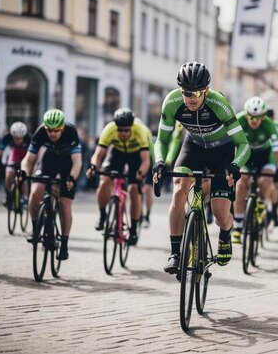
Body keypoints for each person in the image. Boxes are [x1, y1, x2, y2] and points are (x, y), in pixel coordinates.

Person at [152, 62, 250, 274]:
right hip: (193, 146)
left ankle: (225, 233)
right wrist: (159, 161)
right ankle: (175, 253)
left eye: (197, 92)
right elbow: (161, 140)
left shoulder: (219, 104)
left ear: (206, 90)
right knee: (179, 189)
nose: (192, 97)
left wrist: (235, 166)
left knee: (219, 213)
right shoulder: (172, 102)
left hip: (221, 151)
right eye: (187, 92)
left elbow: (243, 144)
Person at [19, 109, 82, 261]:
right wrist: (23, 172)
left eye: (56, 130)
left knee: (65, 204)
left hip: (67, 164)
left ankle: (64, 243)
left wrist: (72, 178)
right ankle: (35, 230)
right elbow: (28, 160)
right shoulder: (40, 132)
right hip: (49, 161)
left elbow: (77, 162)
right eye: (49, 130)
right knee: (35, 192)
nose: (52, 133)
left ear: (62, 128)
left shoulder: (71, 132)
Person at [86, 108, 151, 245]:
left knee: (134, 189)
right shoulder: (109, 129)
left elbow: (145, 160)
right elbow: (98, 154)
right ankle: (103, 215)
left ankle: (133, 229)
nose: (122, 133)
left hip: (135, 156)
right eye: (120, 130)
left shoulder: (140, 131)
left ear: (131, 127)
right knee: (104, 182)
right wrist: (93, 167)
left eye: (126, 130)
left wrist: (140, 173)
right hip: (117, 154)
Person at [232, 97, 278, 243]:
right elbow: (228, 143)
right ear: (246, 115)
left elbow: (277, 148)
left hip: (265, 156)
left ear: (263, 116)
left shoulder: (269, 124)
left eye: (258, 117)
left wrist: (277, 167)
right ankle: (238, 225)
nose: (254, 121)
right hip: (246, 155)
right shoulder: (238, 120)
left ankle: (262, 203)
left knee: (265, 180)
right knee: (240, 184)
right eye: (251, 117)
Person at [0, 121, 30, 209]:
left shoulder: (29, 139)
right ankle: (8, 194)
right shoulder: (7, 137)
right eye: (15, 138)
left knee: (24, 175)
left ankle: (25, 198)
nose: (17, 140)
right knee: (9, 172)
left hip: (25, 156)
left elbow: (32, 156)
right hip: (14, 155)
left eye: (19, 138)